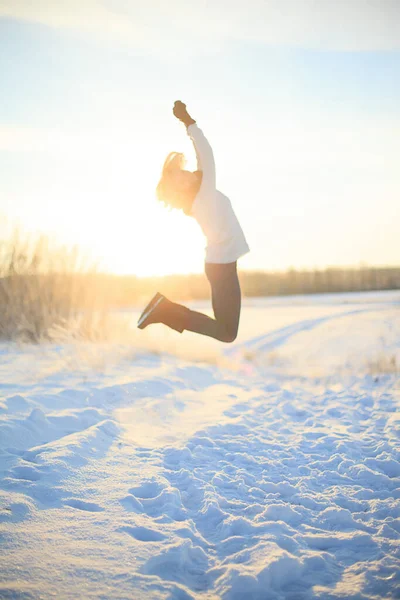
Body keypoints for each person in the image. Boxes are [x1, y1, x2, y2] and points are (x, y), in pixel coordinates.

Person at [137, 101, 249, 343]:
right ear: (181, 190)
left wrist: (188, 125)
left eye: (184, 172)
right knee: (227, 333)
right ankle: (164, 309)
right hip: (222, 268)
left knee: (225, 330)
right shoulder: (203, 197)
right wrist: (188, 121)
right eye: (182, 178)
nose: (188, 175)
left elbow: (200, 160)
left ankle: (164, 309)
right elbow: (206, 154)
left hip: (219, 265)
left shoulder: (198, 196)